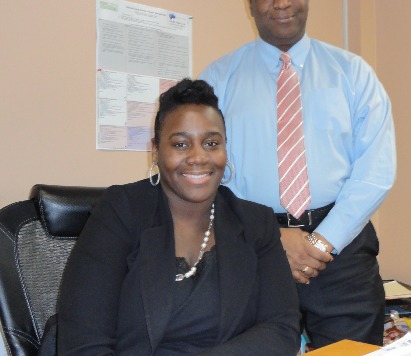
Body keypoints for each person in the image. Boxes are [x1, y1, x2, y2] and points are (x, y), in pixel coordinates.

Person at [199, 0, 396, 348]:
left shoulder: (353, 73)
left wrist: (321, 243)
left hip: (341, 247)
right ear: (250, 3)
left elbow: (376, 171)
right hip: (251, 244)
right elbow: (201, 172)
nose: (282, 1)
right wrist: (272, 235)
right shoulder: (217, 79)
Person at [57, 79, 301, 355]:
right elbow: (83, 344)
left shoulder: (256, 223)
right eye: (181, 144)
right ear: (156, 151)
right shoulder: (121, 211)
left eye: (211, 143)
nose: (198, 157)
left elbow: (282, 327)